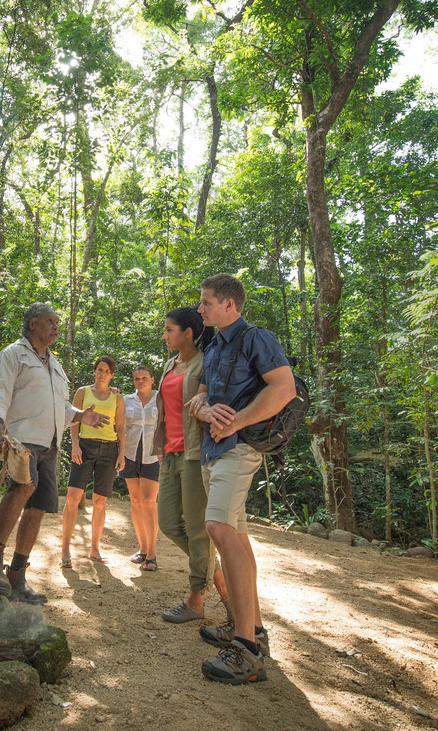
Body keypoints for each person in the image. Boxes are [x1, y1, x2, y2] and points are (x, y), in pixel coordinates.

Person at [189, 273, 296, 686]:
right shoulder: (213, 344)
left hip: (239, 448)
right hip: (213, 451)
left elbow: (284, 388)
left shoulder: (257, 338)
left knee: (217, 527)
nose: (201, 309)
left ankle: (246, 650)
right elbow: (199, 398)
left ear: (229, 305)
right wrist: (204, 411)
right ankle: (252, 628)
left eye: (206, 302)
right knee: (236, 533)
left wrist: (236, 422)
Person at [0, 303, 110, 604]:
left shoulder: (55, 365)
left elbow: (61, 408)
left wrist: (80, 415)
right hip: (23, 439)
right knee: (23, 487)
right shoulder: (14, 354)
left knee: (38, 507)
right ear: (32, 324)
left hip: (50, 443)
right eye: (50, 321)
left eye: (57, 322)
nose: (56, 326)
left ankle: (16, 575)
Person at [154, 307, 233, 622]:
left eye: (170, 330)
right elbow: (163, 410)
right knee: (169, 522)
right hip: (170, 454)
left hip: (194, 453)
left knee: (199, 531)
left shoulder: (205, 363)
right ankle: (219, 577)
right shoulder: (170, 364)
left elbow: (206, 405)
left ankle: (196, 599)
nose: (165, 335)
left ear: (188, 332)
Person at [61, 356, 125, 567]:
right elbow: (73, 419)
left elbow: (121, 427)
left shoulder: (117, 397)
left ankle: (95, 549)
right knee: (72, 497)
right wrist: (75, 445)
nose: (103, 373)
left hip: (109, 449)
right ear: (95, 371)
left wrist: (121, 453)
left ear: (112, 374)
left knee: (100, 501)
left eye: (107, 370)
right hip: (85, 447)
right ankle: (65, 550)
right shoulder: (83, 392)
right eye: (99, 369)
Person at [121, 365, 160, 570]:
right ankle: (143, 549)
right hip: (130, 453)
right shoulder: (126, 400)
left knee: (148, 502)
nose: (140, 381)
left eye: (144, 377)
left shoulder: (161, 398)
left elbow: (168, 423)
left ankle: (152, 554)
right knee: (136, 501)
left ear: (152, 379)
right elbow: (119, 426)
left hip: (153, 455)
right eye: (136, 378)